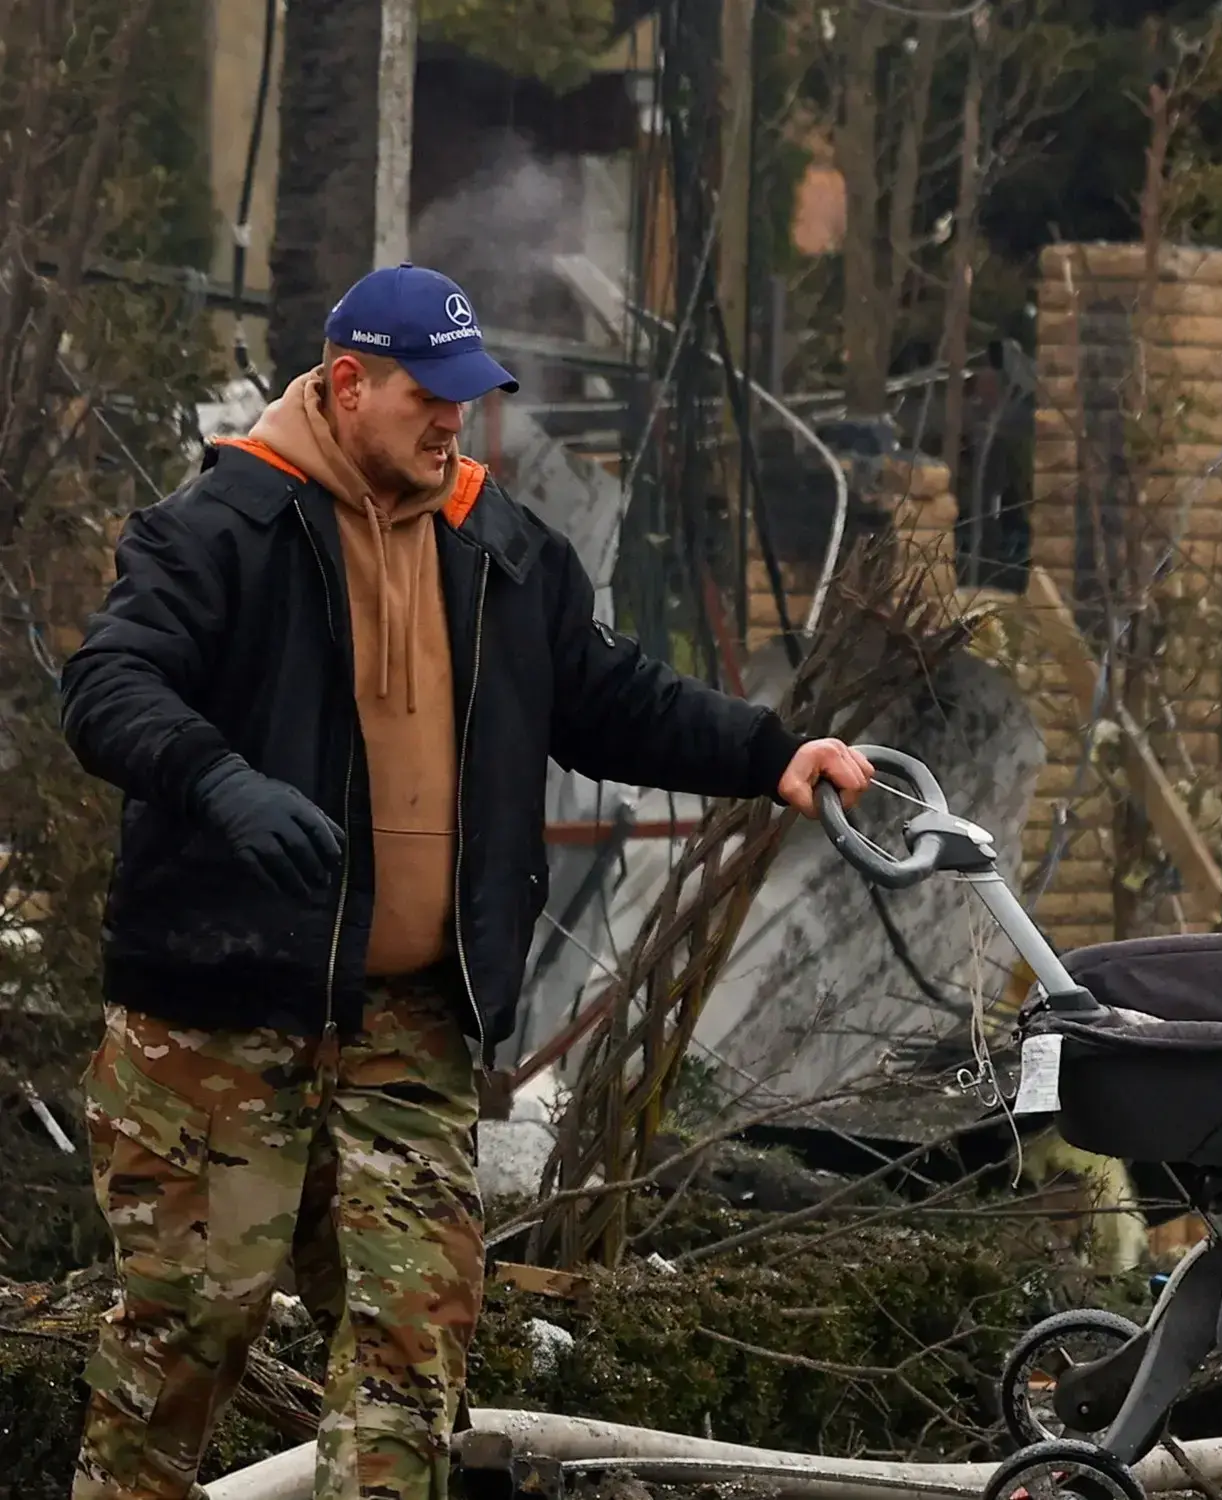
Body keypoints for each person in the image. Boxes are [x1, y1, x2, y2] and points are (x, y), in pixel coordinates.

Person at [58, 263, 875, 1500]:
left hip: (408, 1027)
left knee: (413, 1341)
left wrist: (771, 755)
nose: (453, 420)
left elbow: (610, 699)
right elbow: (107, 684)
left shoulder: (501, 548)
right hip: (215, 1022)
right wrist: (220, 783)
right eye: (426, 395)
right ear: (347, 384)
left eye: (466, 395)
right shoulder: (220, 528)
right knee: (187, 1336)